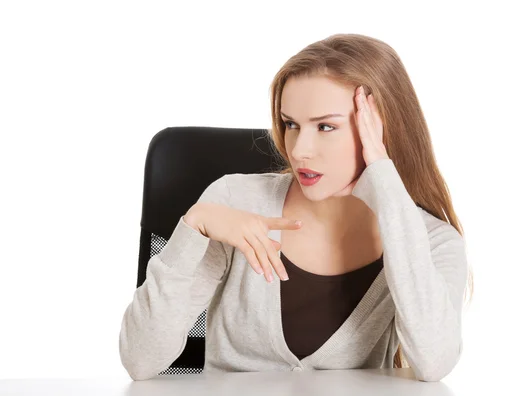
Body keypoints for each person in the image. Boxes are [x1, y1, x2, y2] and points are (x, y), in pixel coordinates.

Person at [119, 33, 473, 382]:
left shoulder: (434, 242)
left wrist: (387, 188)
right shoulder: (234, 201)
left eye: (326, 126)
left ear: (382, 129)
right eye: (291, 124)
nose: (299, 149)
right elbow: (140, 359)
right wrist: (195, 224)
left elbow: (433, 361)